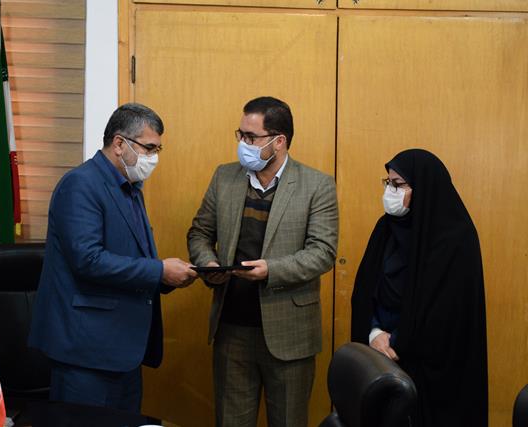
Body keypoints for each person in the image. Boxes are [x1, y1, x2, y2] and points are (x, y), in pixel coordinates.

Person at [28, 103, 197, 412]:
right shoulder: (80, 184)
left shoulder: (130, 188)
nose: (154, 158)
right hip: (86, 352)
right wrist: (159, 271)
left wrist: (169, 277)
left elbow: (131, 254)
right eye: (149, 148)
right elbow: (88, 260)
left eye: (158, 149)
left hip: (124, 349)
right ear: (119, 143)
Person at [187, 96, 338, 427]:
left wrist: (272, 270)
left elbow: (322, 252)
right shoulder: (224, 177)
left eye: (251, 137)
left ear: (278, 141)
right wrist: (208, 263)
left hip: (289, 333)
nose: (243, 144)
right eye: (240, 134)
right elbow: (199, 233)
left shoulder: (317, 185)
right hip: (232, 329)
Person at [351, 149, 488, 426]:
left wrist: (399, 342)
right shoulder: (385, 228)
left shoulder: (456, 238)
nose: (390, 191)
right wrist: (374, 332)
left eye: (398, 184)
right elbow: (366, 289)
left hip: (433, 369)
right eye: (388, 183)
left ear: (424, 187)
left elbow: (450, 313)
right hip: (381, 354)